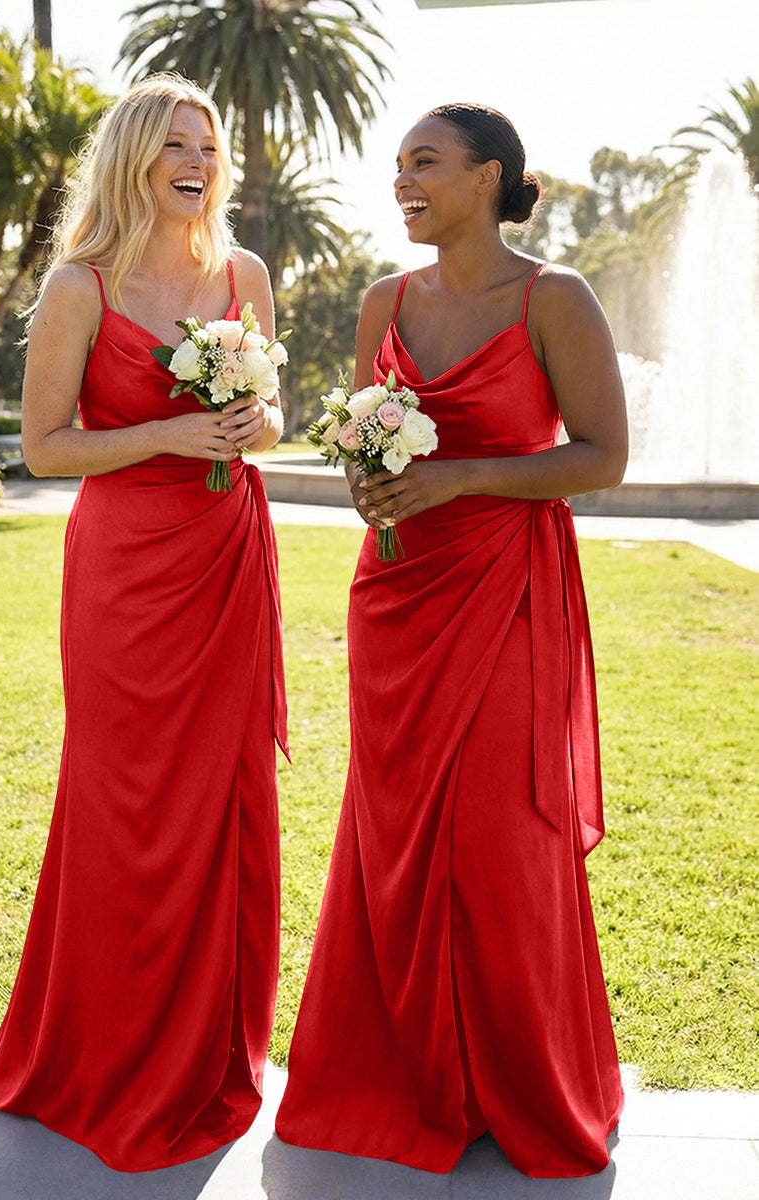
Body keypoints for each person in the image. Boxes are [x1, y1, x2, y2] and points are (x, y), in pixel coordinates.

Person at [274, 102, 628, 1178]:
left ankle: (513, 1078)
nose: (403, 180)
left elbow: (604, 455)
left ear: (488, 177)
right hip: (396, 596)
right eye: (397, 165)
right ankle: (403, 1073)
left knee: (498, 838)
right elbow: (361, 439)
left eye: (424, 162)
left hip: (507, 592)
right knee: (394, 836)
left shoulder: (554, 298)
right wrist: (370, 483)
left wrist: (463, 476)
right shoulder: (384, 300)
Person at [0, 73, 288, 1172]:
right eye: (173, 144)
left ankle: (206, 1047)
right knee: (124, 795)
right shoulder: (79, 286)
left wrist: (252, 422)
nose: (195, 162)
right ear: (133, 159)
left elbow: (275, 413)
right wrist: (166, 437)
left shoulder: (244, 274)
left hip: (225, 555)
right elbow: (43, 446)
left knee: (220, 794)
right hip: (124, 570)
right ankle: (99, 1048)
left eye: (207, 145)